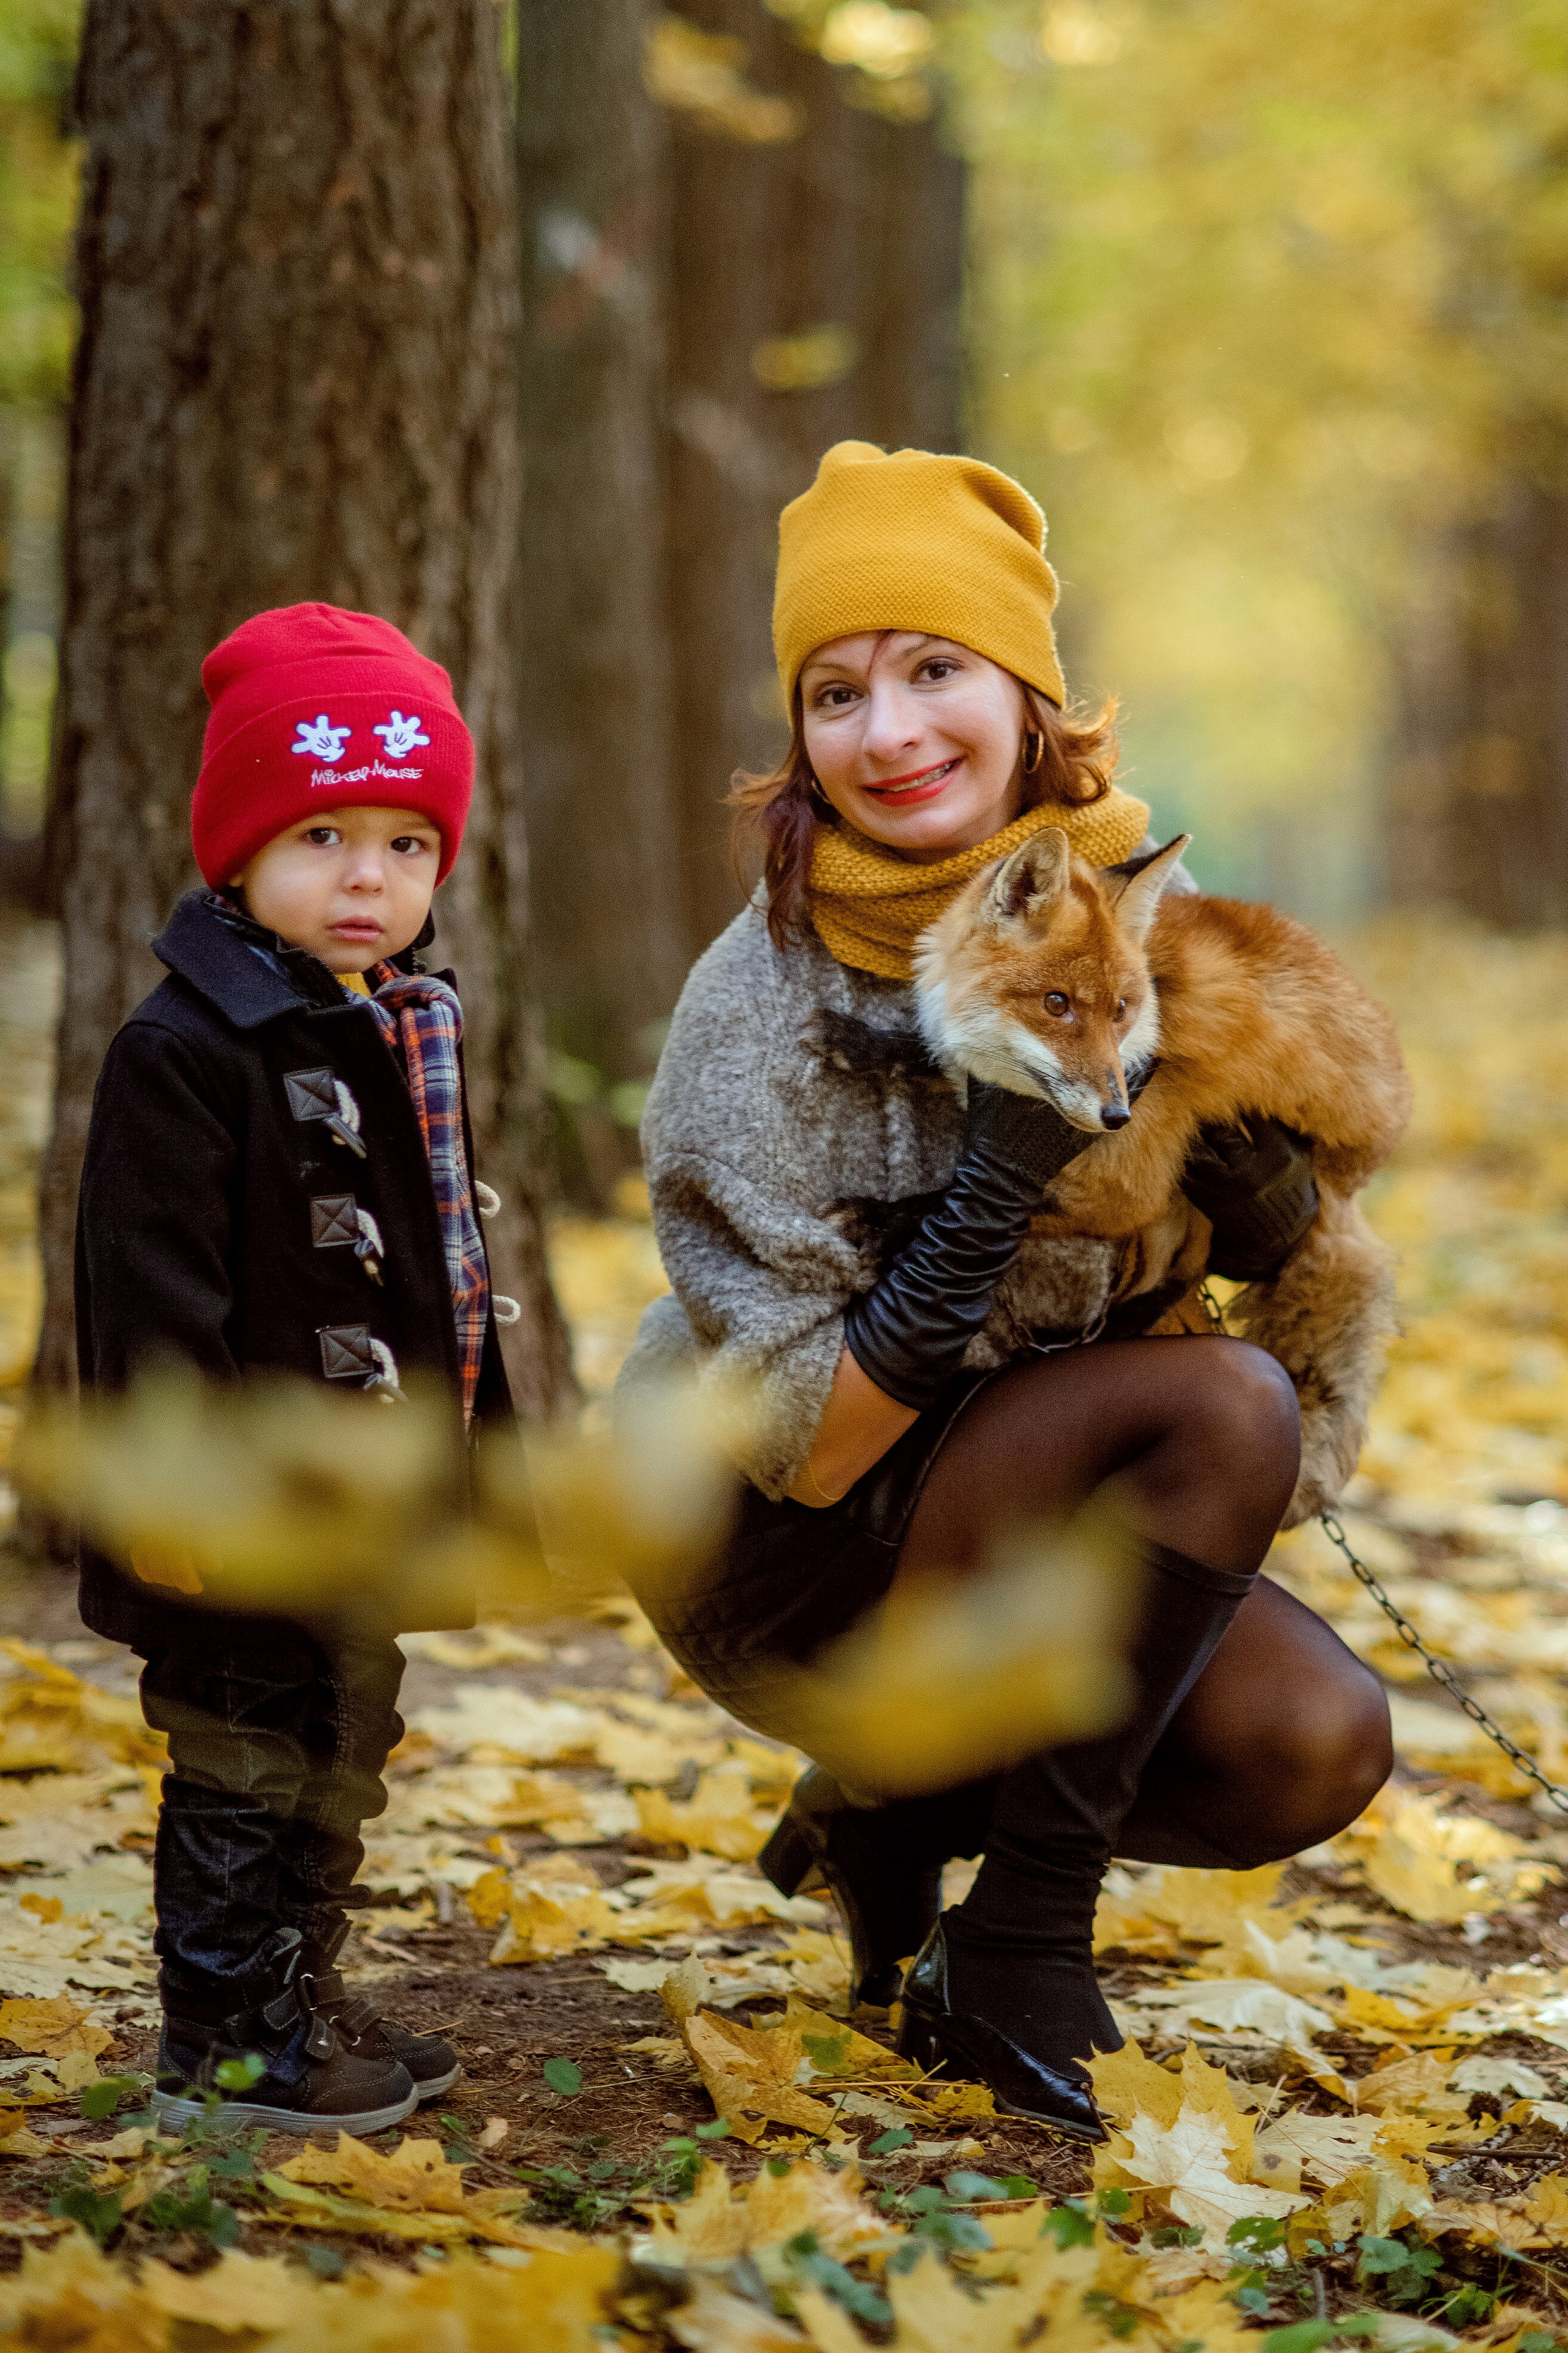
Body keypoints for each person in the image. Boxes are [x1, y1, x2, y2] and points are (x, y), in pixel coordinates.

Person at [617, 443, 1393, 2139]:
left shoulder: (1127, 916)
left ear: (1028, 696)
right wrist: (995, 1182)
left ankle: (892, 1829)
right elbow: (808, 1444)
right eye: (837, 691)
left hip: (1043, 1512)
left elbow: (1286, 1134)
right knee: (1217, 1398)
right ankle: (1016, 1936)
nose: (887, 731)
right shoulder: (756, 1007)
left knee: (1315, 1738)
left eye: (935, 670)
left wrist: (1263, 1193)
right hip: (784, 1538)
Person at [75, 603, 514, 2136]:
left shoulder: (400, 1023)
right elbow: (146, 1293)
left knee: (345, 1732)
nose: (367, 876)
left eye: (404, 841)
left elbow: (441, 1271)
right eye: (322, 831)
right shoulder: (189, 1048)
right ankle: (220, 2035)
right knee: (243, 1746)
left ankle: (292, 1982)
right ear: (238, 854)